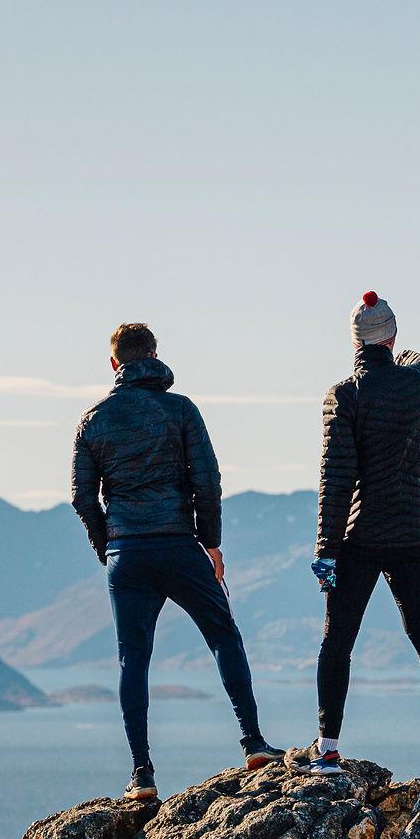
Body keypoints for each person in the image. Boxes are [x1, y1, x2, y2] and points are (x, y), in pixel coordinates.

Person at [70, 323, 285, 801]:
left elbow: (83, 498)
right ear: (153, 354)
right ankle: (252, 742)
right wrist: (211, 543)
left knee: (133, 659)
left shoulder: (92, 421)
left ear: (114, 364)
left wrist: (109, 546)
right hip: (178, 543)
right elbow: (207, 482)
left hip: (127, 553)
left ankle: (141, 774)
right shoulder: (181, 410)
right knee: (223, 635)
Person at [303, 291, 420, 776]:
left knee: (338, 643)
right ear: (392, 336)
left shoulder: (345, 394)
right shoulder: (417, 384)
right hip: (413, 535)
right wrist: (401, 352)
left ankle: (328, 749)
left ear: (353, 341)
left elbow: (335, 479)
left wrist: (325, 551)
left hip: (360, 537)